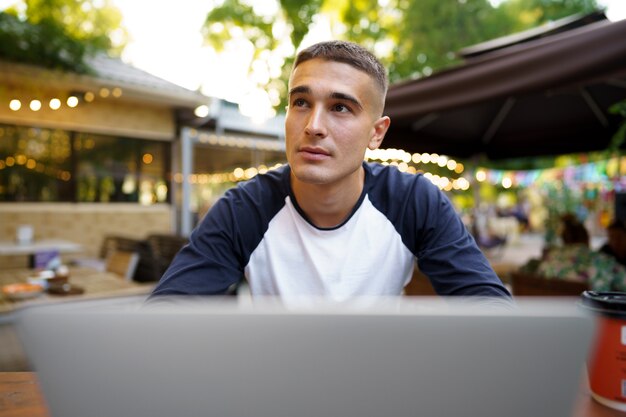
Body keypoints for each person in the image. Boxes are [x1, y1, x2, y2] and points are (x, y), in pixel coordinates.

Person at [150, 40, 510, 301]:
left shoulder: (413, 201)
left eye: (340, 108)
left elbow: (489, 309)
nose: (313, 125)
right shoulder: (245, 208)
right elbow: (167, 316)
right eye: (301, 102)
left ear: (376, 132)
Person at [521, 213, 626, 292]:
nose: (615, 242)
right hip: (594, 318)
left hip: (553, 315)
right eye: (611, 237)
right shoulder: (604, 261)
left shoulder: (551, 258)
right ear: (587, 239)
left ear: (564, 240)